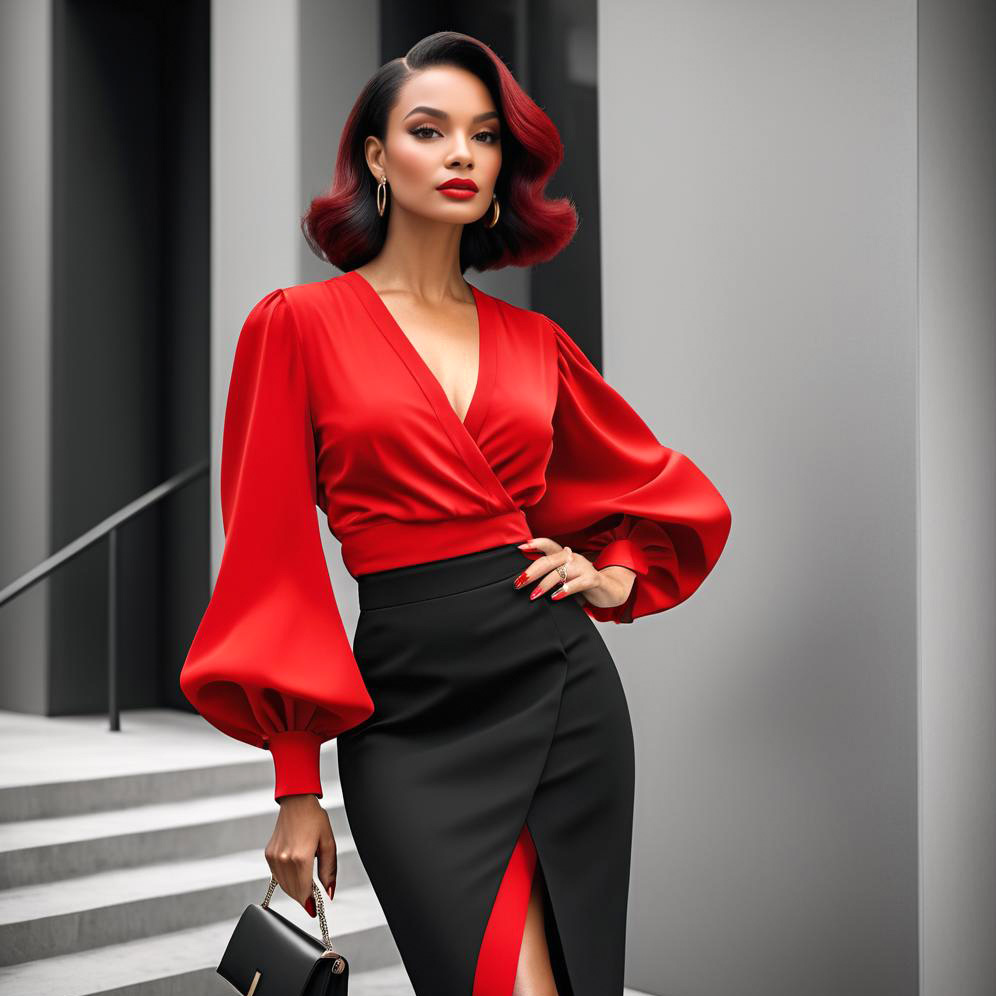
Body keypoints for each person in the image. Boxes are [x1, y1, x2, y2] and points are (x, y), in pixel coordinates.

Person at [180, 30, 731, 996]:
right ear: (377, 158)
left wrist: (615, 575)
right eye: (430, 130)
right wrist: (297, 783)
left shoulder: (536, 342)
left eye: (483, 135)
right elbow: (270, 559)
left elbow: (656, 490)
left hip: (564, 697)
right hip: (411, 718)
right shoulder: (297, 326)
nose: (463, 153)